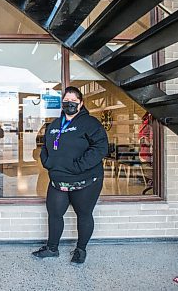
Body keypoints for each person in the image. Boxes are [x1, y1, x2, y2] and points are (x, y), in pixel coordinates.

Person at [32, 86, 108, 265]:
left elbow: (100, 148)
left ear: (81, 103)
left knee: (84, 214)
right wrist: (48, 163)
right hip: (58, 180)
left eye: (74, 101)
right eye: (66, 101)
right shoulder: (54, 125)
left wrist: (78, 166)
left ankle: (80, 250)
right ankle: (52, 248)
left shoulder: (90, 123)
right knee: (54, 214)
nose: (70, 104)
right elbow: (45, 147)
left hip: (85, 180)